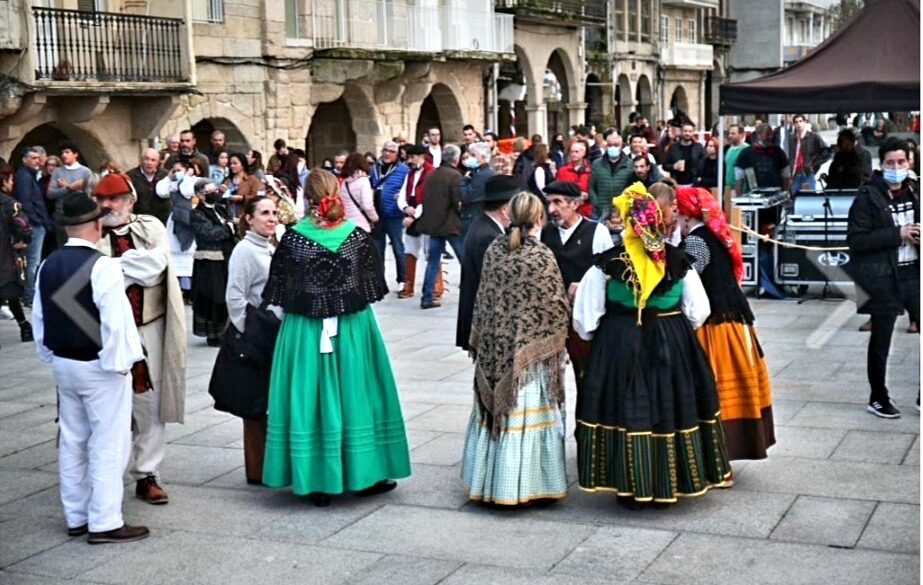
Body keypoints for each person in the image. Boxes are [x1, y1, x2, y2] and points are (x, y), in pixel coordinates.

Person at [573, 182, 732, 506]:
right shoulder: (678, 261)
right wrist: (674, 327)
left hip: (619, 341)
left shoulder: (605, 265)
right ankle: (670, 480)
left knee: (623, 409)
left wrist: (603, 337)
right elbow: (699, 312)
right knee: (669, 406)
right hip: (671, 339)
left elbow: (585, 321)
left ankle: (628, 482)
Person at [261, 169, 411, 506]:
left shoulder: (293, 240)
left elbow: (281, 291)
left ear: (307, 196)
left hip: (306, 330)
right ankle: (363, 471)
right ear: (338, 192)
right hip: (353, 328)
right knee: (358, 393)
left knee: (310, 396)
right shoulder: (356, 237)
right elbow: (370, 287)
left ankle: (315, 478)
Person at [32, 191, 150, 543]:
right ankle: (105, 521)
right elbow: (116, 323)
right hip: (100, 366)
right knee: (109, 443)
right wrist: (120, 367)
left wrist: (50, 356)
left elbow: (39, 318)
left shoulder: (46, 264)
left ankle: (77, 515)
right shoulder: (104, 266)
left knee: (72, 440)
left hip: (64, 364)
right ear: (97, 225)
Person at [461, 192, 570, 505]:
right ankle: (525, 487)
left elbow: (484, 299)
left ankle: (487, 484)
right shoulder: (541, 256)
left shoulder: (495, 250)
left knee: (495, 415)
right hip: (529, 359)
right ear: (539, 218)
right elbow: (555, 306)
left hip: (497, 348)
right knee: (525, 412)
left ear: (509, 215)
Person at [94, 173, 188, 505]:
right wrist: (125, 265)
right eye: (103, 199)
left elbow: (155, 266)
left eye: (115, 198)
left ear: (131, 200)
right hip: (107, 331)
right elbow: (90, 276)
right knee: (112, 404)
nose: (107, 205)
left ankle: (147, 474)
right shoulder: (90, 232)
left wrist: (112, 267)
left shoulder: (151, 226)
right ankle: (105, 478)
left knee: (150, 403)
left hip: (150, 326)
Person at [675, 186, 775, 461]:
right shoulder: (714, 236)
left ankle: (719, 456)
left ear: (686, 216)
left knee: (715, 389)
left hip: (716, 325)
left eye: (678, 213)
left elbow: (687, 280)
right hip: (734, 320)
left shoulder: (697, 241)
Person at [847, 137, 920, 418]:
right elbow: (856, 239)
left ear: (909, 162)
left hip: (913, 273)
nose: (896, 167)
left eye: (901, 162)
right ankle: (878, 397)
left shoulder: (915, 191)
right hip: (882, 276)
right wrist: (897, 234)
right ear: (882, 164)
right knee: (881, 340)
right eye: (890, 163)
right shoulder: (868, 197)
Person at [224, 196, 278, 484]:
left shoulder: (268, 247)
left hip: (270, 331)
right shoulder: (245, 250)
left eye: (274, 213)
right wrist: (249, 333)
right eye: (264, 213)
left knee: (266, 402)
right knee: (255, 407)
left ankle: (270, 465)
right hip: (257, 335)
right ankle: (257, 470)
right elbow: (235, 296)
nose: (271, 218)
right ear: (249, 218)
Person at [539, 180, 613, 391]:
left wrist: (585, 285)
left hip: (583, 318)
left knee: (586, 375)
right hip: (551, 319)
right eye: (549, 203)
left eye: (557, 203)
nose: (551, 209)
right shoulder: (544, 234)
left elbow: (608, 273)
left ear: (574, 204)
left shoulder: (596, 232)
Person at [190, 179, 237, 346]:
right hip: (209, 261)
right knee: (212, 297)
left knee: (224, 295)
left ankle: (225, 331)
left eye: (215, 190)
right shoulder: (197, 214)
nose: (215, 193)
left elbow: (231, 225)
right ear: (200, 195)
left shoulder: (220, 209)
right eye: (210, 191)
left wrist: (232, 227)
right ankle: (214, 334)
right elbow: (209, 233)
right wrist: (228, 229)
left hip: (225, 257)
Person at [417, 144, 465, 310]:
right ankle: (471, 291)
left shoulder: (432, 174)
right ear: (456, 159)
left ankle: (427, 296)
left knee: (433, 261)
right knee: (464, 259)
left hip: (433, 223)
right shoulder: (455, 176)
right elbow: (457, 201)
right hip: (450, 224)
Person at [395, 144, 435, 301]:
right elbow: (402, 194)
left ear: (421, 156)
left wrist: (415, 214)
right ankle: (409, 286)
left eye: (412, 157)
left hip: (426, 216)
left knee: (430, 252)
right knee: (410, 250)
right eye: (408, 157)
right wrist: (405, 207)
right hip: (411, 212)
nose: (410, 161)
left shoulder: (431, 173)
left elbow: (430, 197)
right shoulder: (410, 174)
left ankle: (435, 287)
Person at [14, 148, 53, 304]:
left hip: (37, 223)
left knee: (32, 261)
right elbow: (26, 202)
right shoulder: (24, 177)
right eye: (33, 158)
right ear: (25, 160)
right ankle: (29, 295)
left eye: (38, 158)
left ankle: (29, 294)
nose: (37, 161)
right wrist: (37, 221)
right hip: (33, 225)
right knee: (32, 262)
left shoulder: (29, 176)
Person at [0, 165, 33, 343]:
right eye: (11, 180)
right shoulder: (10, 204)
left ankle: (24, 326)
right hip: (6, 257)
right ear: (4, 181)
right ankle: (24, 327)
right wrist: (24, 241)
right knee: (10, 293)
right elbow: (23, 226)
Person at [370, 141, 410, 288]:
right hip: (377, 215)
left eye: (392, 151)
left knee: (398, 248)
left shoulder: (403, 170)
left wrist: (402, 198)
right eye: (385, 150)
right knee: (378, 250)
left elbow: (408, 188)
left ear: (397, 154)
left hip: (394, 214)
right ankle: (379, 281)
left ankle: (402, 280)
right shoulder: (374, 168)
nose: (387, 153)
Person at [155, 160, 197, 296]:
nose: (176, 172)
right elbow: (160, 191)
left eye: (179, 169)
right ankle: (176, 285)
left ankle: (189, 288)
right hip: (175, 219)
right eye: (174, 170)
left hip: (190, 218)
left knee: (189, 253)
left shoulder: (193, 181)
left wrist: (185, 177)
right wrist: (169, 177)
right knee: (173, 250)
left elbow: (187, 191)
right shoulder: (172, 184)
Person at [588, 130, 633, 219]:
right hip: (601, 211)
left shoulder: (630, 164)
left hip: (622, 211)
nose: (613, 148)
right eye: (610, 145)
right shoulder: (597, 164)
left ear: (621, 147)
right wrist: (596, 203)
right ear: (606, 146)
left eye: (616, 145)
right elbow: (591, 187)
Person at [735, 124, 791, 194]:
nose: (770, 137)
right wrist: (739, 198)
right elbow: (739, 178)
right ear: (758, 135)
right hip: (754, 195)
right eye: (767, 134)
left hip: (776, 195)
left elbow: (785, 176)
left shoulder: (778, 152)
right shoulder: (746, 153)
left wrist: (785, 193)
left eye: (771, 134)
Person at [459, 142, 496, 236]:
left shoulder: (482, 174)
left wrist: (464, 181)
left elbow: (467, 197)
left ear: (483, 157)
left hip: (474, 217)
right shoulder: (479, 172)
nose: (470, 157)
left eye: (473, 155)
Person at [787, 114, 829, 194]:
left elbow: (826, 152)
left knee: (810, 196)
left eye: (800, 121)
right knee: (793, 196)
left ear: (805, 122)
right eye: (796, 122)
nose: (799, 124)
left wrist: (814, 164)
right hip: (795, 174)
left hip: (808, 173)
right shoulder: (791, 139)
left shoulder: (813, 137)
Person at [127, 148, 170, 225]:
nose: (149, 163)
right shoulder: (130, 176)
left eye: (153, 160)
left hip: (162, 221)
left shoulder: (166, 175)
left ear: (158, 162)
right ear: (141, 160)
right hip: (140, 221)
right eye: (146, 159)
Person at [340, 152, 378, 233]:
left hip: (346, 225)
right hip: (362, 225)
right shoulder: (363, 181)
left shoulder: (344, 183)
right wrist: (375, 218)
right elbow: (367, 205)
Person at [557, 139, 593, 218]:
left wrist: (588, 195)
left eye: (576, 152)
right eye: (572, 152)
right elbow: (558, 189)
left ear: (583, 153)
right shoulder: (563, 170)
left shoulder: (591, 170)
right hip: (568, 211)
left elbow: (596, 190)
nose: (573, 154)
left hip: (586, 211)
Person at [221, 152, 262, 219]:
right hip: (229, 216)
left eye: (235, 163)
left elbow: (257, 199)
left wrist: (242, 198)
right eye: (230, 164)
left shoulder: (252, 180)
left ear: (243, 165)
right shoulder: (227, 181)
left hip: (246, 217)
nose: (232, 166)